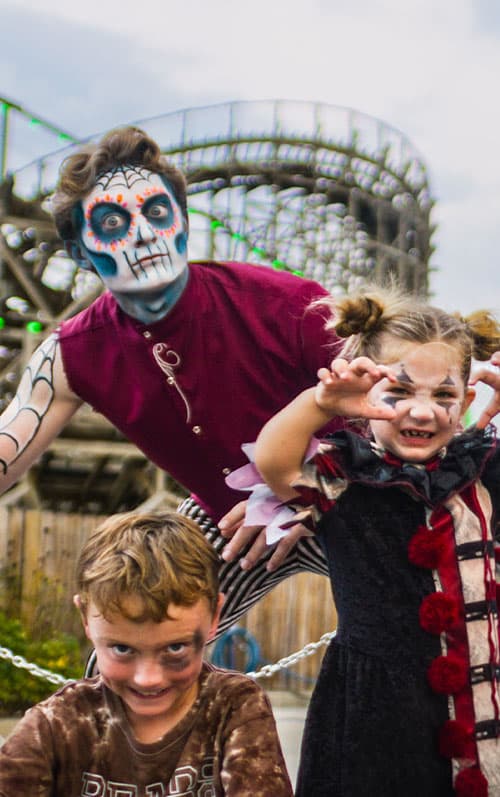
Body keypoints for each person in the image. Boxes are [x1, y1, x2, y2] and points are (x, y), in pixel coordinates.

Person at [0, 125, 345, 637]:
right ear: (80, 252)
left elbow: (402, 409)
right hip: (230, 522)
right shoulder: (70, 354)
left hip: (352, 496)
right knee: (132, 633)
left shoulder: (291, 304)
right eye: (113, 222)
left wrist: (311, 494)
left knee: (414, 622)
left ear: (182, 221)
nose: (141, 232)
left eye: (157, 212)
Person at [247, 284, 500, 796]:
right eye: (400, 392)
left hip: (483, 692)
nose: (423, 412)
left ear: (467, 399)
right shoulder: (346, 476)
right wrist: (319, 403)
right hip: (374, 711)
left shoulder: (487, 471)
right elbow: (274, 461)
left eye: (444, 395)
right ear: (365, 399)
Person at [0, 511, 293, 796]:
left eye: (175, 648)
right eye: (122, 649)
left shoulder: (234, 707)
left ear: (215, 614)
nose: (148, 679)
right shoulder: (57, 723)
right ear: (85, 618)